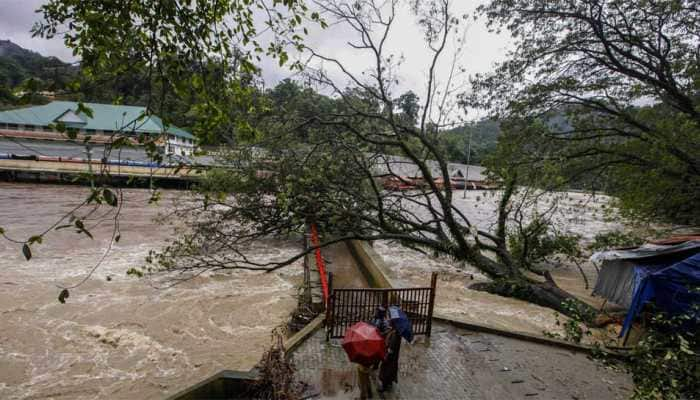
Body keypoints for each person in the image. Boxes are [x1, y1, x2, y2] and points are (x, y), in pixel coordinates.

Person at [378, 317, 401, 392]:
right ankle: (389, 382)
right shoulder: (393, 330)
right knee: (390, 369)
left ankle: (384, 386)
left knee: (386, 370)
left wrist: (386, 355)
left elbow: (391, 348)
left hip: (390, 356)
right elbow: (386, 334)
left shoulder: (396, 335)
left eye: (391, 321)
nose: (389, 321)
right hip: (392, 355)